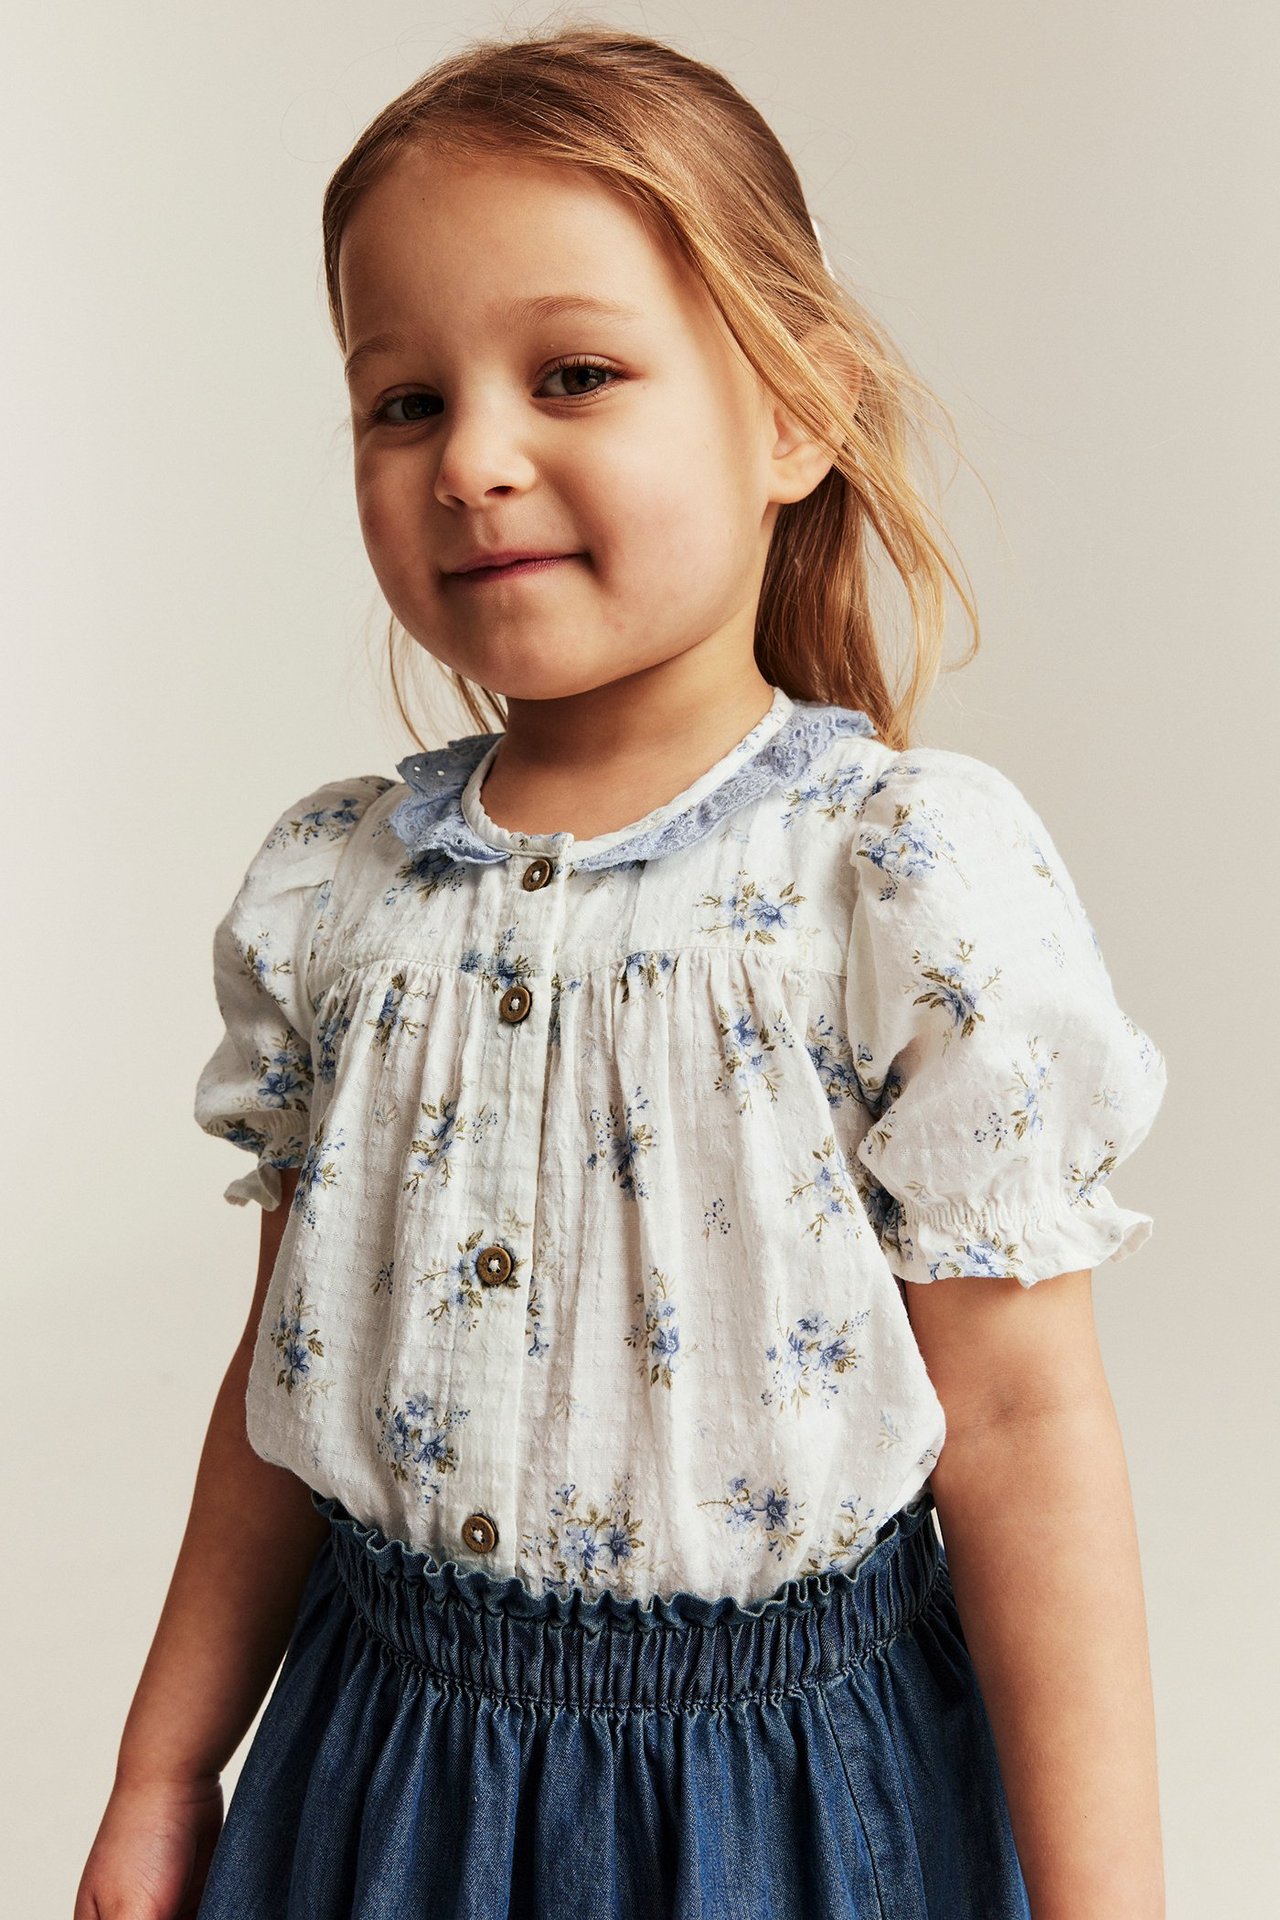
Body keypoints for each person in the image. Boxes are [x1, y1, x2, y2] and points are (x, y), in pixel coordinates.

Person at [75, 25, 1170, 1920]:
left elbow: (1019, 1427)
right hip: (378, 1774)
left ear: (795, 415)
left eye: (573, 375)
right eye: (401, 400)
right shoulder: (337, 890)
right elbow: (279, 1376)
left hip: (781, 1807)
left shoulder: (892, 876)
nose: (475, 458)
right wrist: (166, 1764)